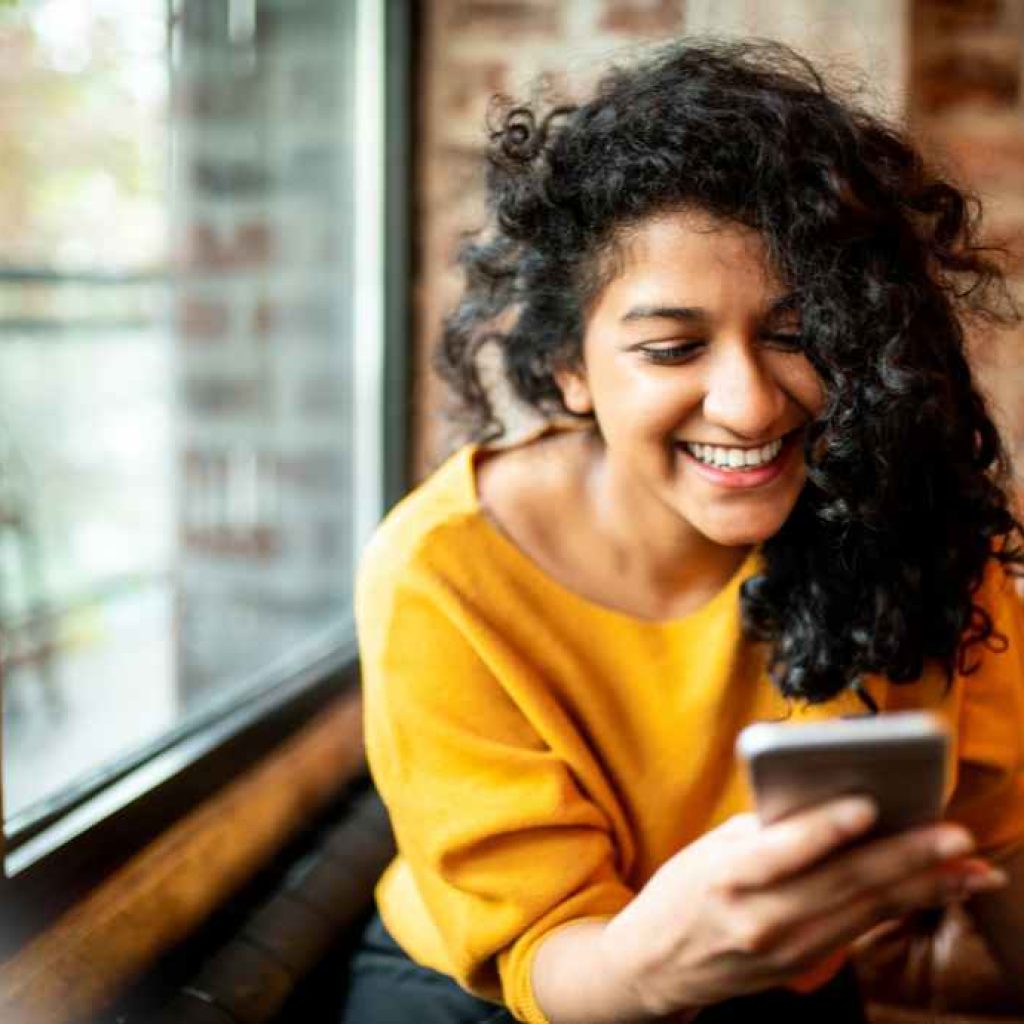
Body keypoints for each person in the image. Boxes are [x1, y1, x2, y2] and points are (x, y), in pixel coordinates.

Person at [341, 39, 1024, 1024]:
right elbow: (545, 950)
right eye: (671, 348)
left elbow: (998, 837)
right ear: (570, 365)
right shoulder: (442, 571)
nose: (748, 407)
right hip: (498, 992)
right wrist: (661, 966)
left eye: (796, 335)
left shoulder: (912, 521)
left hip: (770, 977)